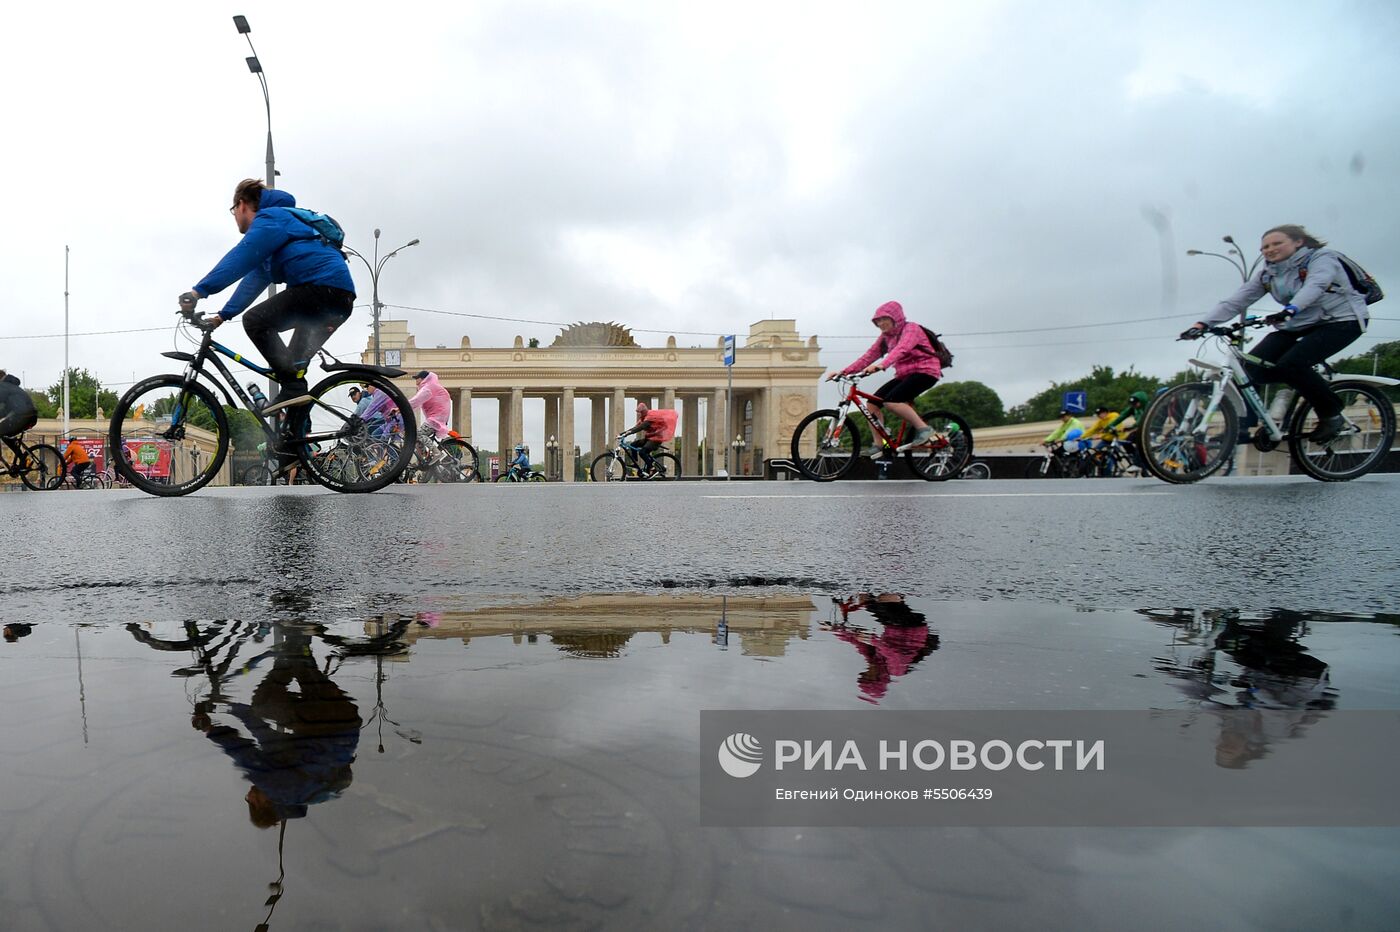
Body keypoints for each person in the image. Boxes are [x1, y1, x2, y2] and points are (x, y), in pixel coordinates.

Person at [177, 178, 356, 411]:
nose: (235, 216)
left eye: (233, 210)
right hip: (337, 300)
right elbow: (253, 281)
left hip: (322, 292)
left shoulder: (272, 218)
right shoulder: (277, 235)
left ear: (241, 205)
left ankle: (293, 387)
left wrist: (197, 292)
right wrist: (222, 316)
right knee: (291, 371)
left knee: (255, 322)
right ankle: (295, 442)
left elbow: (240, 258)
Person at [1182, 225, 1369, 444]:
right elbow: (1237, 301)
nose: (1269, 250)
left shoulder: (1321, 258)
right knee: (1249, 368)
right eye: (1264, 247)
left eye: (1276, 243)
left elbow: (1316, 285)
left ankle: (1331, 415)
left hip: (1340, 320)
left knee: (1292, 365)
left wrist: (1291, 309)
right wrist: (1202, 324)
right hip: (1297, 322)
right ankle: (1243, 427)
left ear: (1298, 242)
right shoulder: (1268, 273)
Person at [828, 300, 942, 456]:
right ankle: (880, 444)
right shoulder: (885, 338)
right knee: (872, 405)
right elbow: (868, 357)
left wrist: (882, 365)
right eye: (877, 321)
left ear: (896, 318)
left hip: (925, 371)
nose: (880, 323)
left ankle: (924, 430)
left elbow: (902, 349)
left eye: (884, 319)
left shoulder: (911, 329)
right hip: (904, 375)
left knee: (891, 402)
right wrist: (843, 372)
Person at [619, 400, 678, 474]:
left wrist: (628, 434)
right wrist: (622, 433)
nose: (639, 414)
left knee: (642, 452)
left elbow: (640, 427)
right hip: (649, 438)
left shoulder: (649, 418)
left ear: (644, 411)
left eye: (640, 412)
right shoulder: (642, 419)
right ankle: (635, 463)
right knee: (633, 445)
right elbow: (635, 427)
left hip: (656, 439)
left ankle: (652, 467)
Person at [408, 370, 451, 437]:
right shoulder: (432, 385)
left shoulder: (428, 387)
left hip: (436, 419)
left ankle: (433, 448)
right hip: (439, 417)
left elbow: (416, 400)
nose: (416, 380)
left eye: (417, 378)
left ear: (423, 379)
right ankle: (425, 448)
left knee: (417, 436)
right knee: (417, 440)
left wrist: (400, 408)